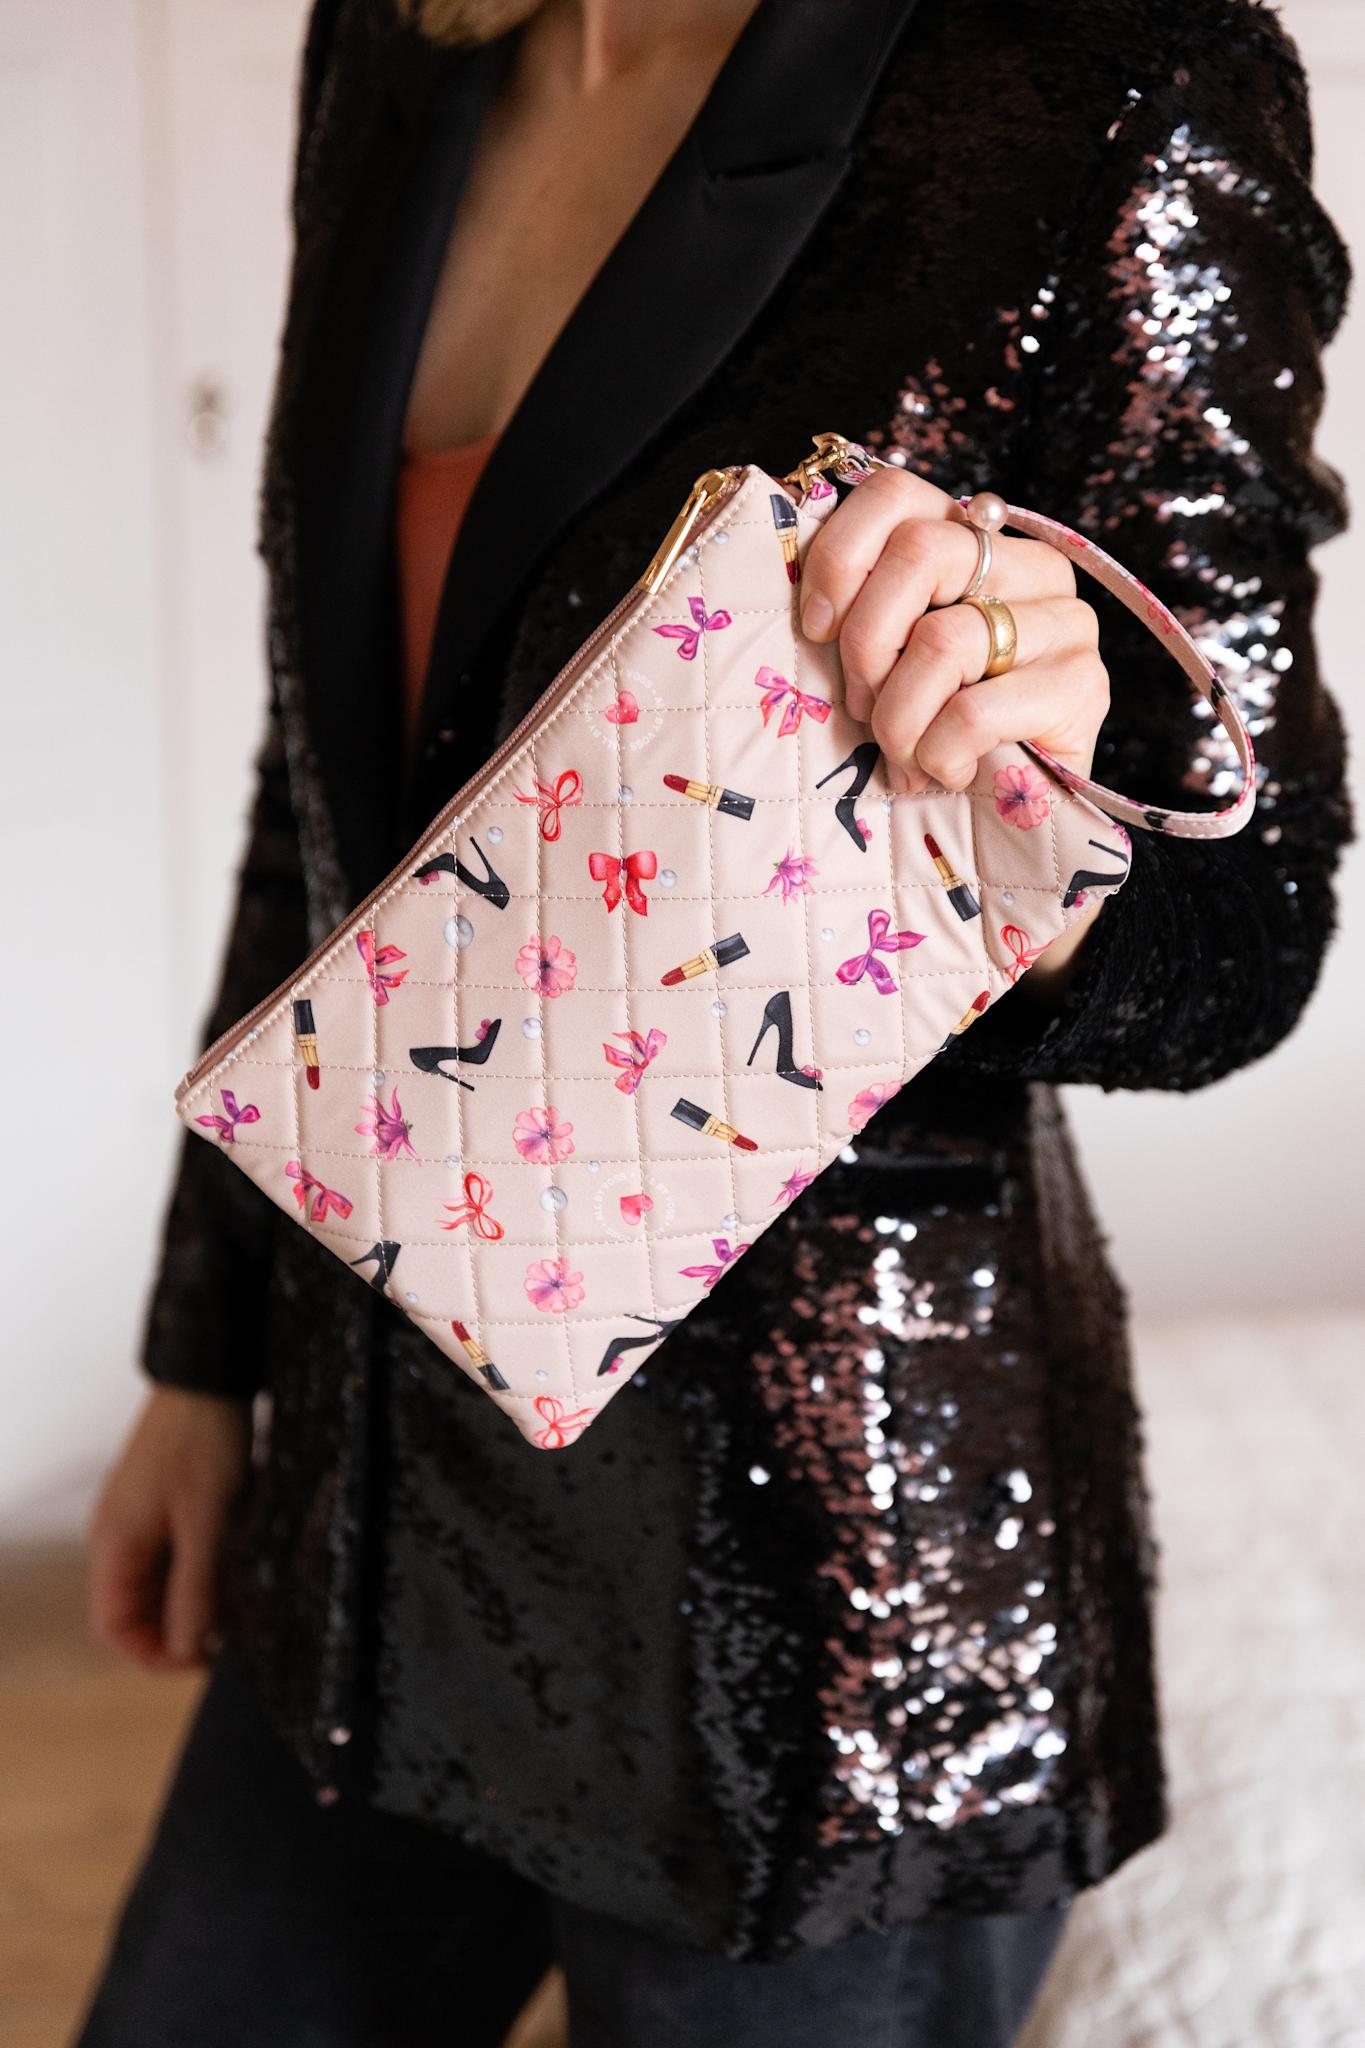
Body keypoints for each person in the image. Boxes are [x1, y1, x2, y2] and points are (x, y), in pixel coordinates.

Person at [77, 1, 1353, 2043]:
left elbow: (1247, 926)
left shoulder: (1102, 72)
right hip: (371, 1516)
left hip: (818, 1628)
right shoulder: (399, 43)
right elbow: (333, 800)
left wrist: (1042, 771)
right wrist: (203, 1356)